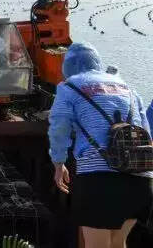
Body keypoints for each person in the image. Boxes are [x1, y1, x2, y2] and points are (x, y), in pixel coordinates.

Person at [48, 42, 153, 248]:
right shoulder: (127, 87)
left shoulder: (69, 87)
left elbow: (58, 125)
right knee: (118, 243)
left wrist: (58, 162)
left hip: (99, 181)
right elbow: (146, 132)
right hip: (140, 179)